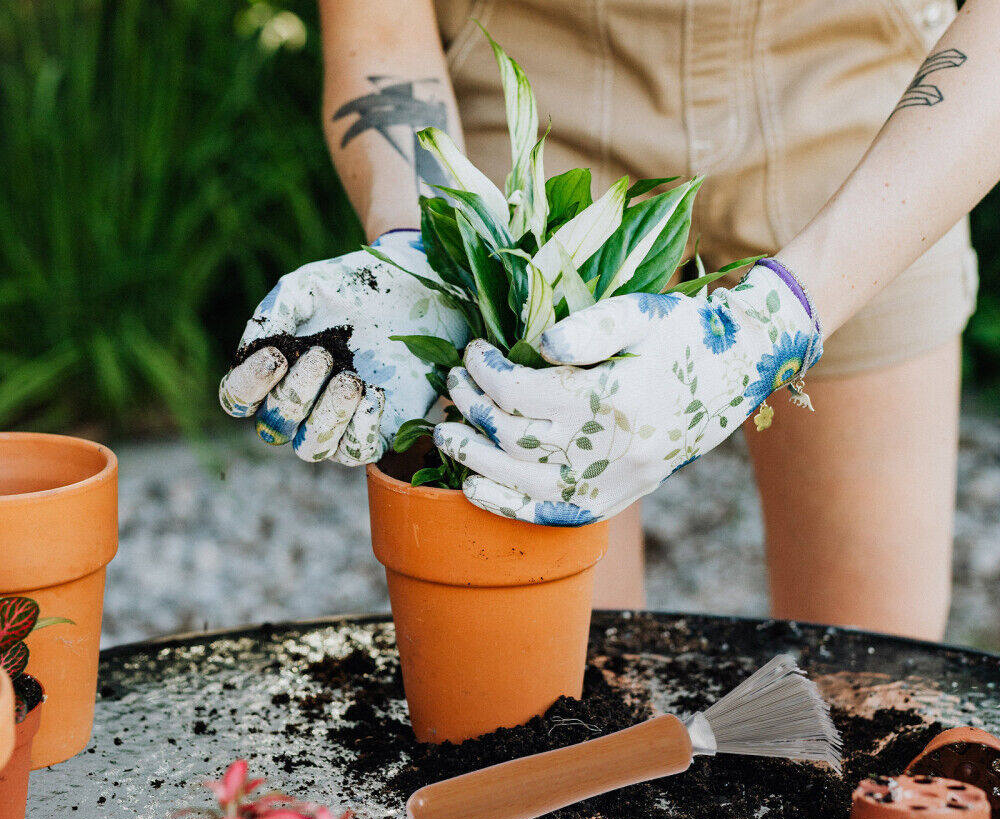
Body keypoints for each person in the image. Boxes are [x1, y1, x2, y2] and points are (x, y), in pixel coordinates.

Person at [220, 0, 997, 642]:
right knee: (558, 709)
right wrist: (416, 247)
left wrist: (776, 320)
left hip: (871, 115)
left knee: (872, 685)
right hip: (536, 100)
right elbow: (381, 28)